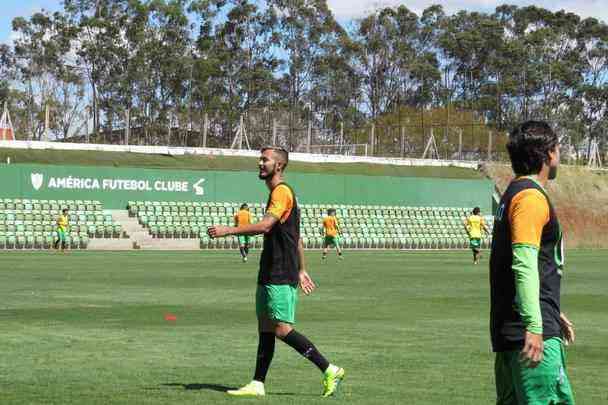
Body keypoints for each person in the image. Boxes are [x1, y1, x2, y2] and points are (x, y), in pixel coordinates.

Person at [207, 146, 345, 398]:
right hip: (270, 269)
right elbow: (295, 236)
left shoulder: (282, 192)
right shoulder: (275, 195)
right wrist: (302, 268)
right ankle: (257, 383)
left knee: (281, 328)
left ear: (278, 165)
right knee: (266, 327)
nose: (260, 163)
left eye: (265, 160)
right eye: (259, 159)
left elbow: (267, 225)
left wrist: (229, 230)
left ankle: (329, 369)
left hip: (280, 271)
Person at [489, 121, 575, 405]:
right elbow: (524, 263)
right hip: (530, 339)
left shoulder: (512, 195)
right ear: (548, 154)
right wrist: (535, 325)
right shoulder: (530, 199)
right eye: (558, 149)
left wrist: (551, 309)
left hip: (513, 333)